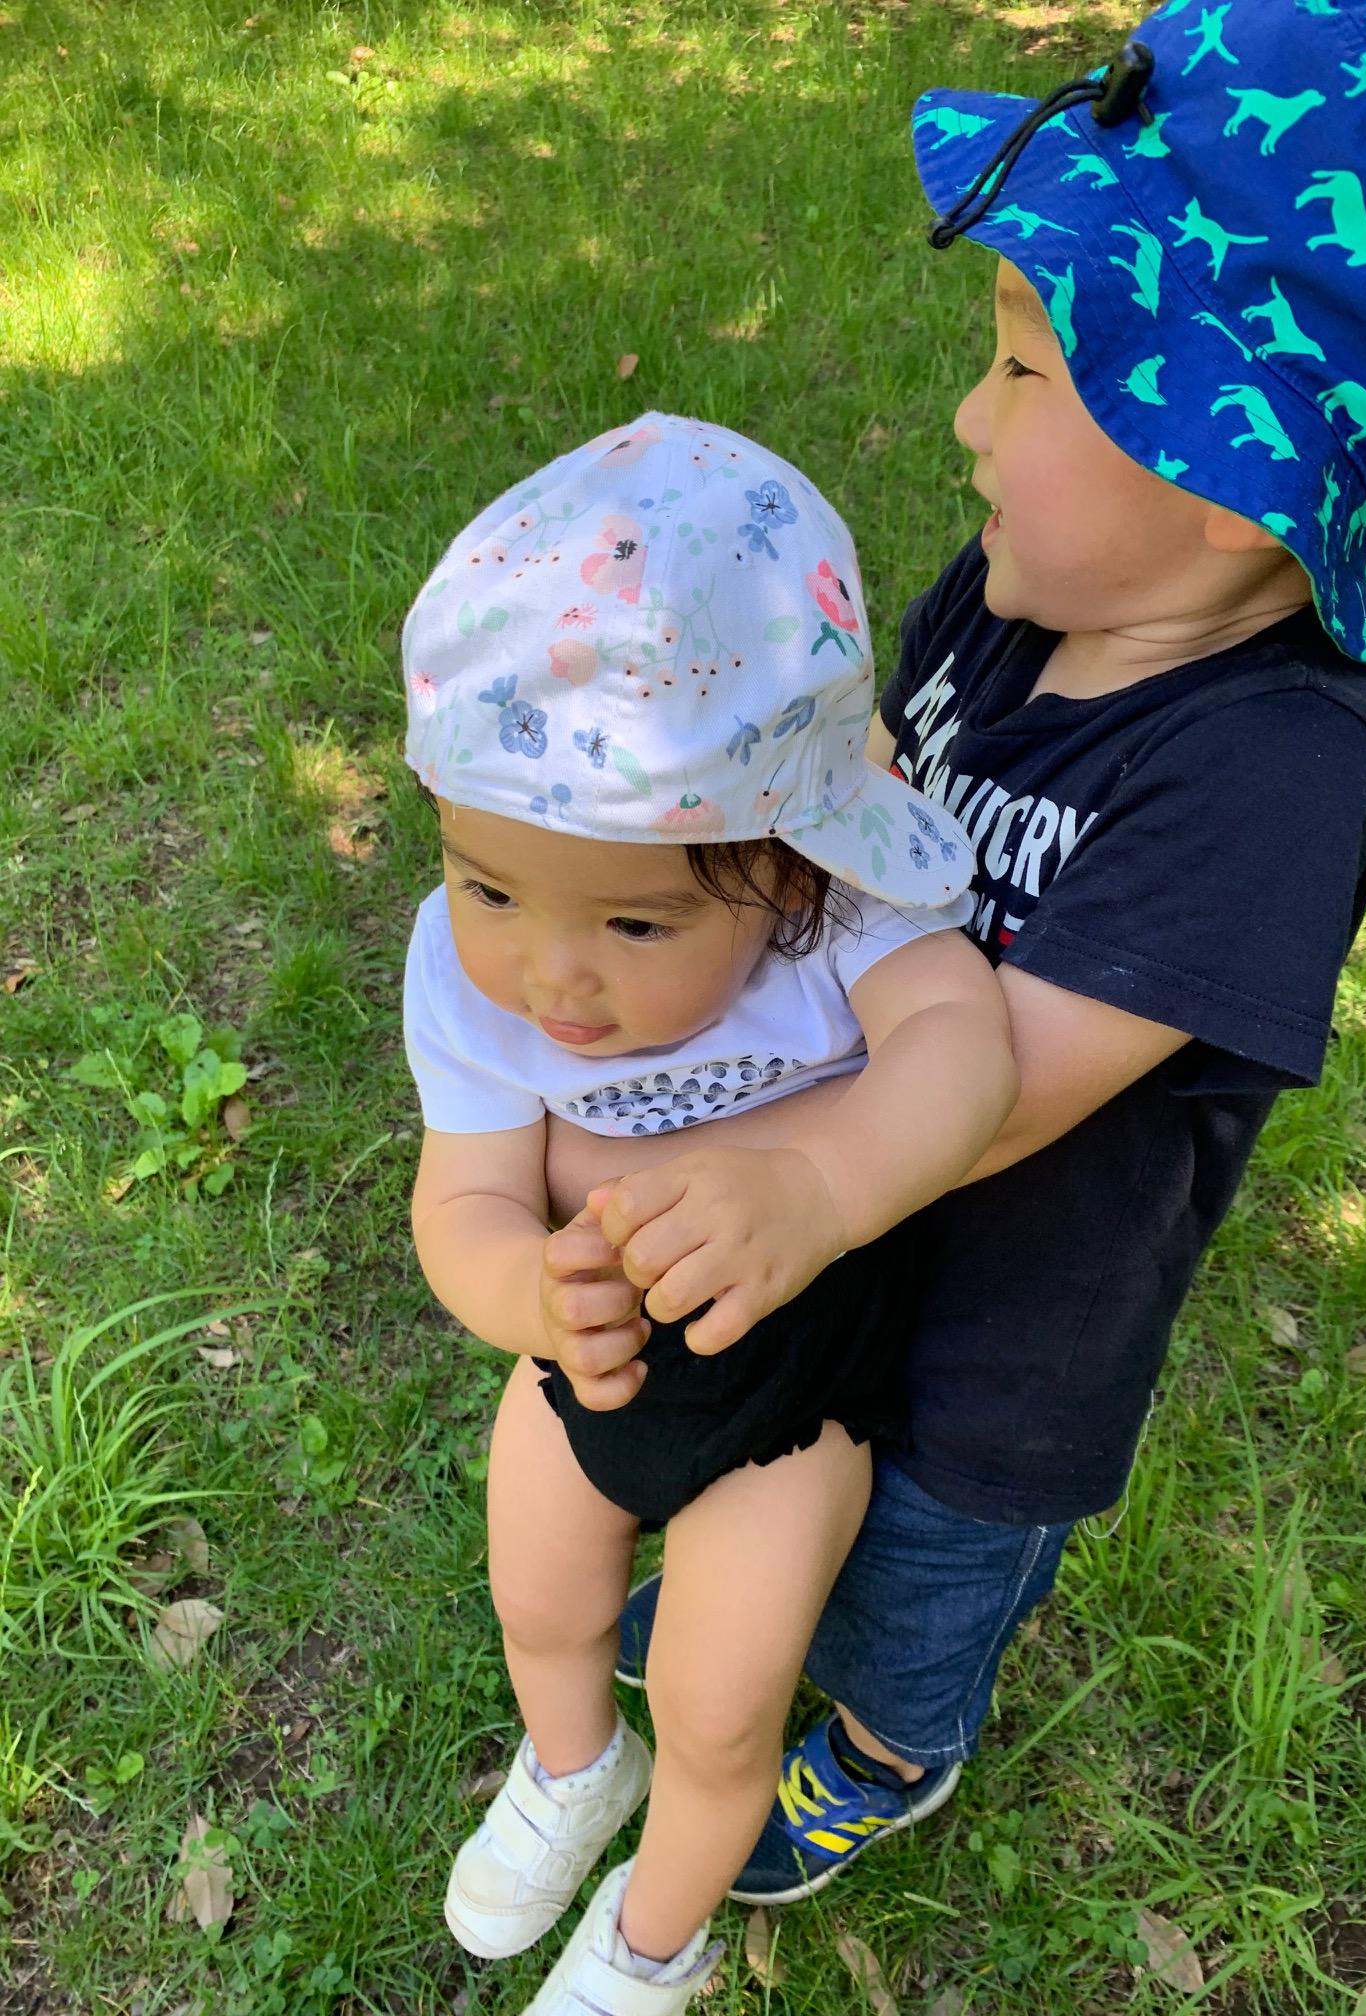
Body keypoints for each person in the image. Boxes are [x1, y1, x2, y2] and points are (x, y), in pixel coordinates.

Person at [585, 0, 1366, 1906]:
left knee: (921, 1572)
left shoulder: (1273, 771)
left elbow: (997, 1092)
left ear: (1229, 466)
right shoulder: (1015, 598)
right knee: (790, 1456)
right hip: (849, 1236)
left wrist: (782, 1171)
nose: (967, 417)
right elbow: (865, 779)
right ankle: (759, 1608)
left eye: (1025, 365)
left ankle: (887, 1748)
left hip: (1013, 1340)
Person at [400, 414, 1015, 2013]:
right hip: (589, 1355)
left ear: (787, 872)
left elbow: (965, 1044)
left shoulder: (839, 920)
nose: (551, 975)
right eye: (488, 887)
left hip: (791, 1382)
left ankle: (652, 1941)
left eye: (634, 922)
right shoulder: (467, 980)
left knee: (720, 1698)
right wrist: (528, 1295)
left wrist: (818, 1181)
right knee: (543, 1598)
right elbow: (464, 1195)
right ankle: (570, 1767)